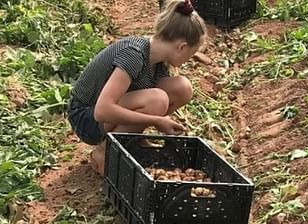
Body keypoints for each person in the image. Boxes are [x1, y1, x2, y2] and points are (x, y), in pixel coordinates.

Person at [66, 0, 206, 174]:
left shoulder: (159, 62)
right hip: (86, 117)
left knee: (181, 88)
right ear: (182, 47)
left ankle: (134, 140)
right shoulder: (135, 54)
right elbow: (101, 111)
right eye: (191, 53)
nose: (190, 58)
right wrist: (157, 121)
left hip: (106, 112)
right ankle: (105, 150)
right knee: (157, 99)